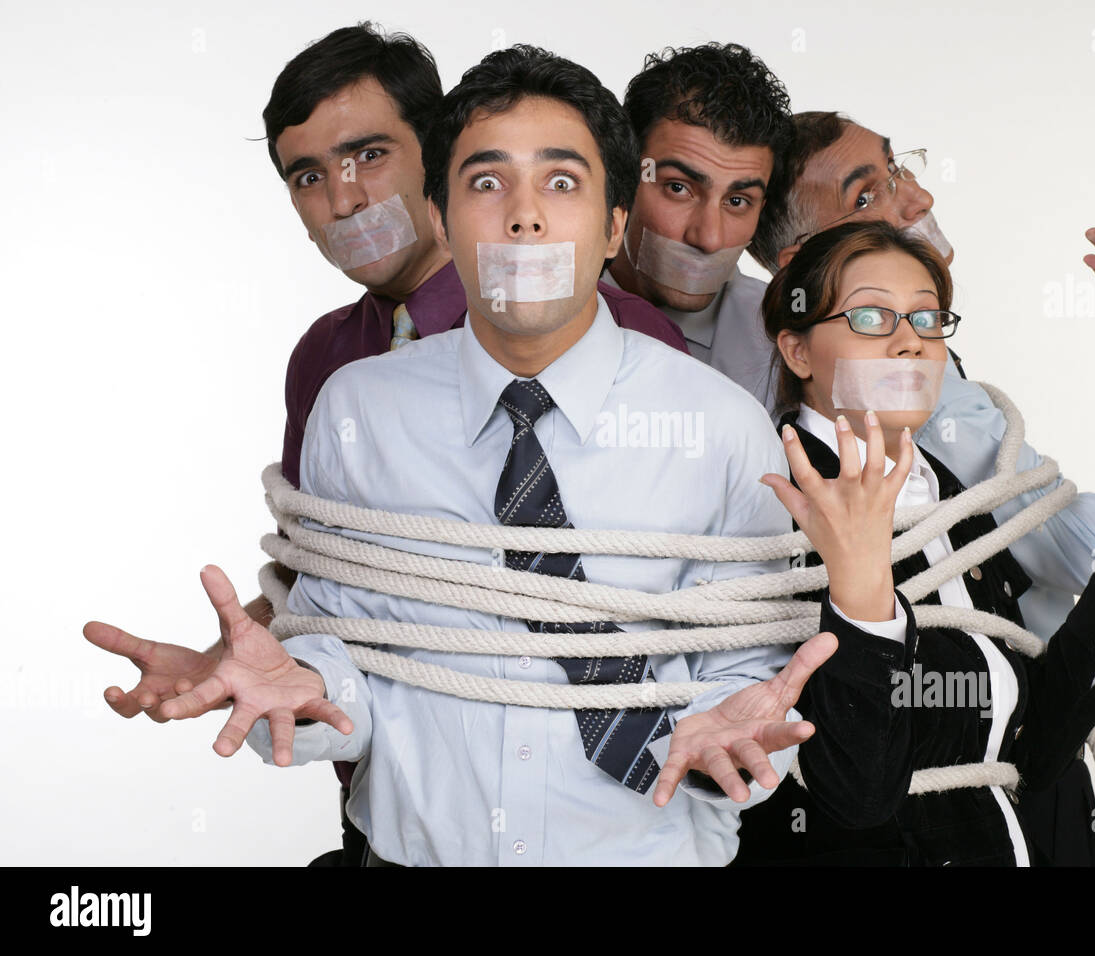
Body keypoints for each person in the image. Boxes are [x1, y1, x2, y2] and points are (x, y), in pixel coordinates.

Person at [149, 45, 839, 866]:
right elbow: (353, 652)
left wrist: (739, 740)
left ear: (615, 222)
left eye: (561, 182)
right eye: (486, 183)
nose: (524, 216)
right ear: (440, 216)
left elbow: (749, 669)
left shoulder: (721, 426)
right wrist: (306, 688)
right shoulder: (357, 408)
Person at [81, 23, 688, 867]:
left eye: (368, 154)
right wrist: (219, 661)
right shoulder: (326, 363)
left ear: (439, 158)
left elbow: (690, 593)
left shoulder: (615, 332)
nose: (345, 197)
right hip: (389, 807)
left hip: (603, 824)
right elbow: (331, 580)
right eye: (309, 175)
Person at [745, 110, 1095, 863]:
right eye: (872, 316)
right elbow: (855, 790)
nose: (909, 340)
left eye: (928, 320)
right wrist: (864, 597)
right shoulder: (760, 496)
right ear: (796, 342)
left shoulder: (959, 488)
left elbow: (1030, 749)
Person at [603, 43, 794, 413]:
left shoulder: (786, 348)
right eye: (679, 188)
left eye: (737, 201)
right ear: (623, 178)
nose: (708, 238)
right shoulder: (539, 306)